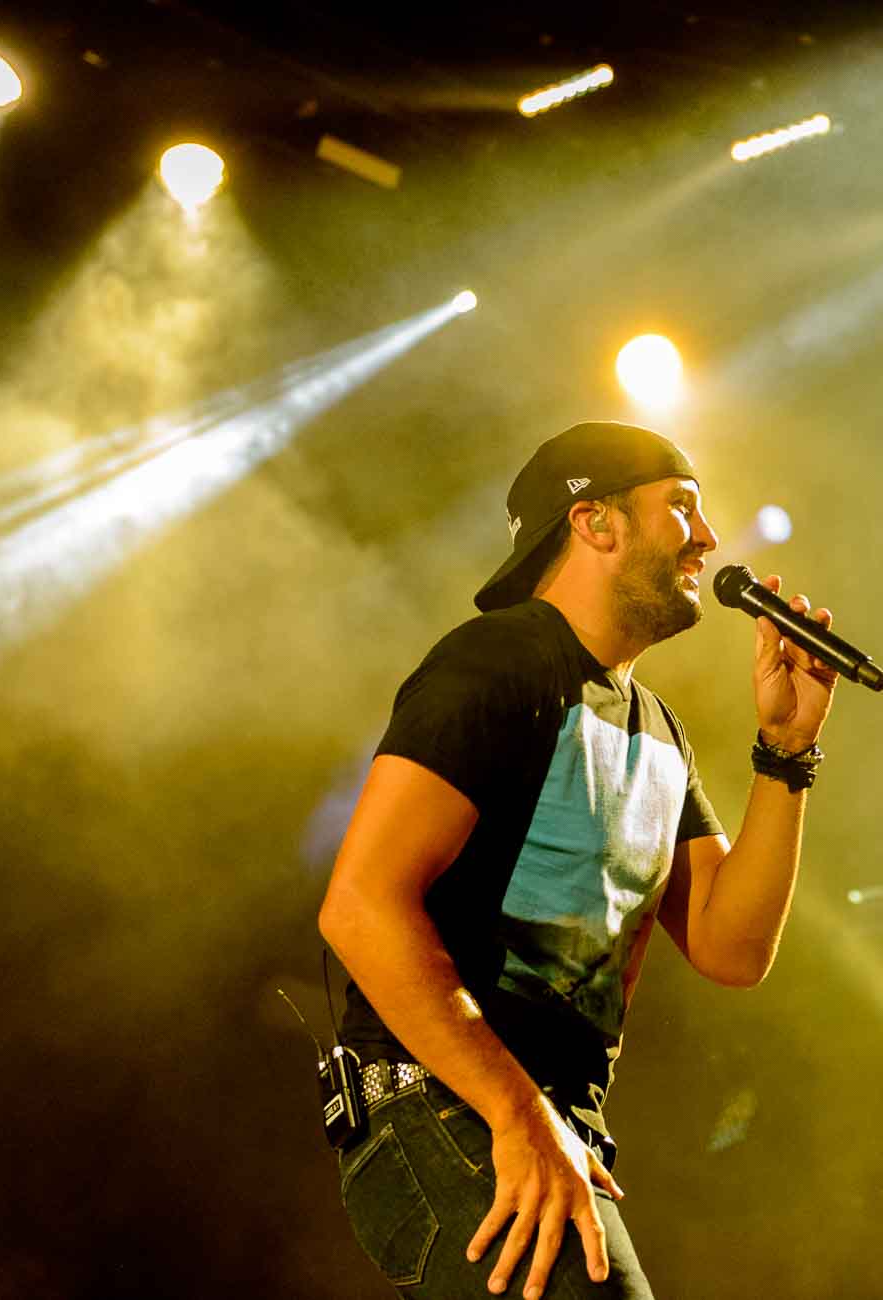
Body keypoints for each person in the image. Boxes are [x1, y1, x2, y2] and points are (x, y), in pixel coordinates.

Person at [318, 420, 838, 1299]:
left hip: (546, 1123)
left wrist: (785, 753)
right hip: (444, 1105)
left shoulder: (656, 727)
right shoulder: (497, 661)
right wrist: (518, 1114)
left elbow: (731, 947)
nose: (707, 540)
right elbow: (359, 905)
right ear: (594, 523)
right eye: (679, 508)